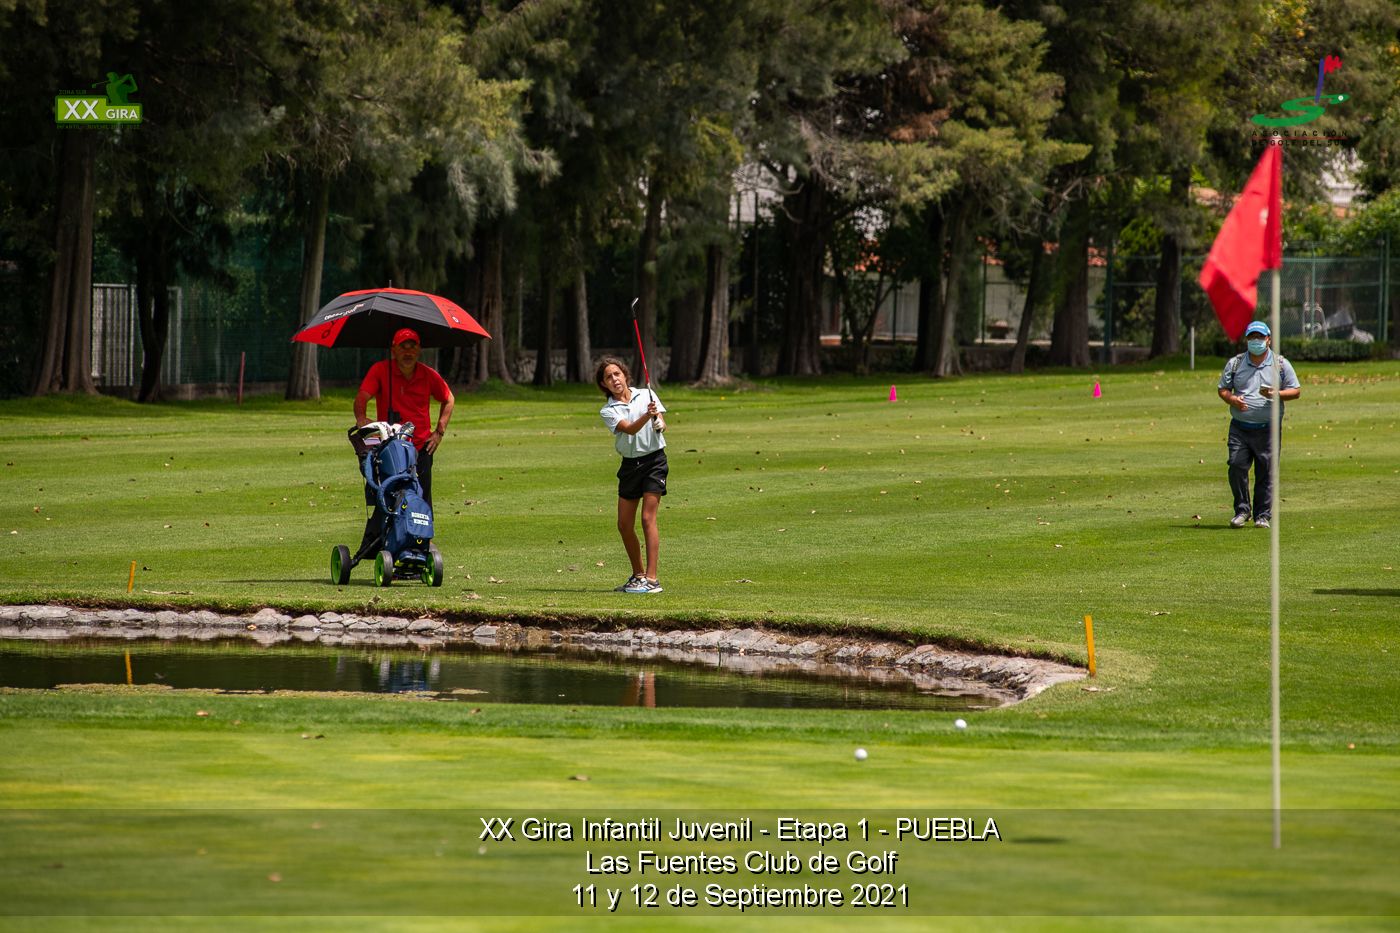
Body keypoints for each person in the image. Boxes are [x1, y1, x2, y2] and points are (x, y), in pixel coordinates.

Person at [351, 327, 454, 562]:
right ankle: (385, 542)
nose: (408, 352)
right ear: (393, 350)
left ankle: (420, 543)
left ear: (419, 350)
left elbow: (448, 398)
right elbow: (362, 397)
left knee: (421, 496)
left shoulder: (427, 374)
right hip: (390, 446)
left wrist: (439, 431)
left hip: (420, 447)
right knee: (386, 495)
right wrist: (361, 418)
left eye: (412, 346)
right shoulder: (381, 371)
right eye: (403, 347)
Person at [1217, 320, 1301, 529]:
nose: (1256, 341)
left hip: (1268, 429)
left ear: (1268, 339)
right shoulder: (1235, 363)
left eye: (1260, 337)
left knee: (1266, 471)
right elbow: (1223, 389)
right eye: (1252, 337)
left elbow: (1296, 390)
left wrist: (1277, 394)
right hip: (1240, 427)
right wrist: (1232, 399)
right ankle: (1242, 510)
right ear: (1247, 339)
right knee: (1236, 465)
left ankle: (1262, 515)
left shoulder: (1280, 364)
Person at [596, 356, 667, 594]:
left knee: (647, 518)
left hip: (655, 461)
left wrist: (659, 423)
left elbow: (662, 422)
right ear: (604, 384)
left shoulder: (646, 394)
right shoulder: (608, 410)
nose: (614, 379)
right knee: (624, 524)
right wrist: (648, 416)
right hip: (630, 466)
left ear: (625, 375)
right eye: (608, 377)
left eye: (617, 374)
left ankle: (652, 579)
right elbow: (629, 429)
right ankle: (638, 575)